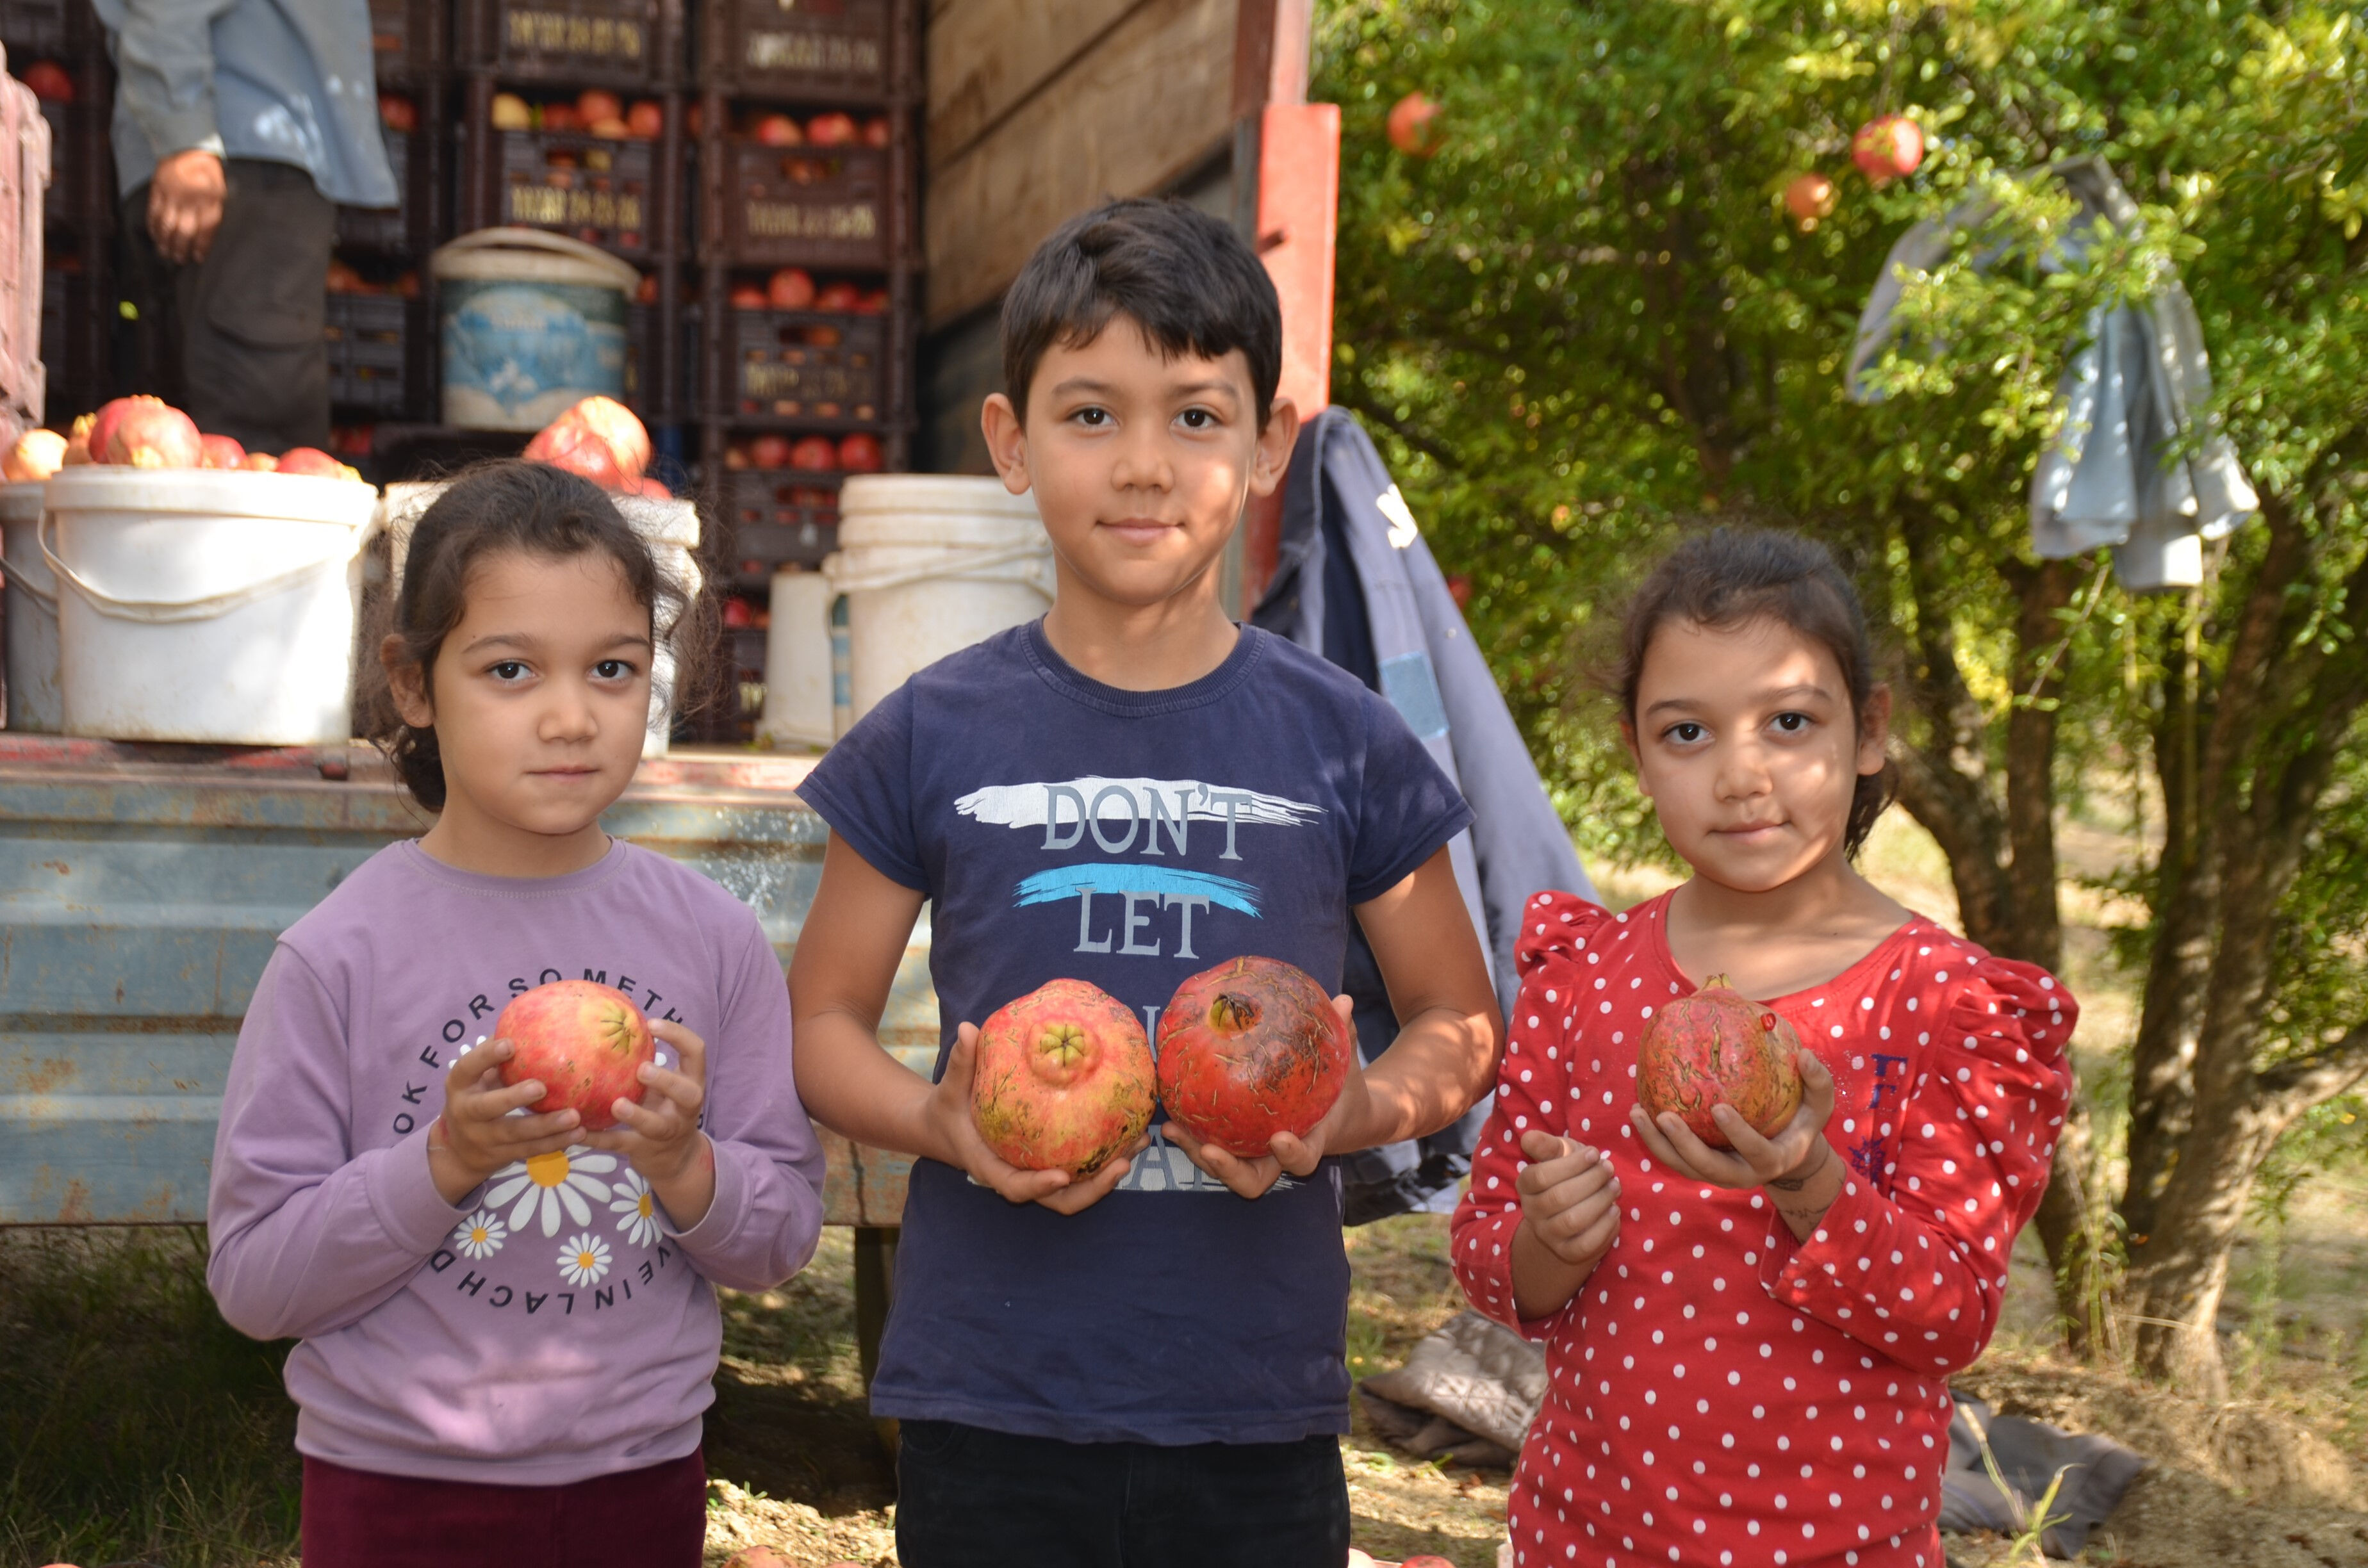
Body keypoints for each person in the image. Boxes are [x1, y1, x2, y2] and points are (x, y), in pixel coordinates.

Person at [787, 197, 1504, 1567]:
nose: (1145, 464)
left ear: (1267, 443)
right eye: (1090, 413)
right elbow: (820, 1022)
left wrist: (1354, 1110)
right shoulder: (930, 733)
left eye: (1194, 416)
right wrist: (941, 1129)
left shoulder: (1343, 737)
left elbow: (1459, 1021)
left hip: (1251, 1413)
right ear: (1010, 442)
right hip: (991, 1402)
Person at [206, 462, 821, 1568]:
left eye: (613, 667)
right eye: (509, 668)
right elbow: (254, 1280)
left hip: (640, 1483)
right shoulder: (339, 955)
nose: (571, 713)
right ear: (412, 684)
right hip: (394, 1488)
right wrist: (442, 1158)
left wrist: (686, 1165)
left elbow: (780, 1240)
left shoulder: (711, 940)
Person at [1451, 527, 2078, 1568]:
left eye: (1789, 721)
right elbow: (1483, 1251)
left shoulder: (1941, 1007)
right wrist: (1546, 1245)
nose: (1741, 773)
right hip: (1583, 1538)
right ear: (1636, 751)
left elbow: (1950, 1314)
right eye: (1687, 731)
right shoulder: (1585, 981)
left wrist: (1812, 1178)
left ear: (1868, 729)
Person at [94, 0, 396, 452]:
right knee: (262, 441)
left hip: (236, 162)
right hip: (235, 164)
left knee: (216, 436)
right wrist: (186, 141)